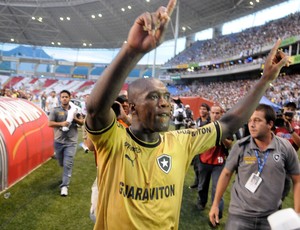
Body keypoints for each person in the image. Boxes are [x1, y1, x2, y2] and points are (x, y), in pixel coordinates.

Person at [85, 0, 292, 227]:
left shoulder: (181, 142)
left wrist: (264, 80)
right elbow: (96, 110)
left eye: (166, 97)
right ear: (132, 108)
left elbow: (229, 123)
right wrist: (132, 50)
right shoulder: (114, 140)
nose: (165, 103)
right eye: (154, 97)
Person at [209, 104, 300, 230]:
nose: (251, 124)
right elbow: (226, 174)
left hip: (271, 217)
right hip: (239, 216)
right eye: (250, 120)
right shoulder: (240, 146)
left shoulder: (285, 148)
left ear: (270, 124)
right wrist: (215, 204)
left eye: (257, 120)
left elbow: (297, 179)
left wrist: (297, 212)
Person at [196, 105, 233, 217]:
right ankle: (202, 202)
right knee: (202, 185)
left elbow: (229, 144)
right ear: (210, 113)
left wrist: (220, 135)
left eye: (218, 113)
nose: (215, 115)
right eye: (213, 113)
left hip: (219, 162)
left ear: (221, 114)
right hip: (204, 160)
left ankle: (217, 213)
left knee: (217, 188)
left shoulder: (226, 127)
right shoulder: (204, 126)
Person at [48, 89, 84, 196]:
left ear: (69, 98)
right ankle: (64, 177)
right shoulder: (55, 110)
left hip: (71, 142)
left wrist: (75, 119)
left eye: (66, 97)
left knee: (68, 164)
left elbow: (82, 122)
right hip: (58, 141)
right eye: (62, 97)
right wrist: (62, 123)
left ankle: (64, 186)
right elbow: (50, 124)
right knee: (61, 163)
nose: (64, 98)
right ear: (60, 98)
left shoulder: (76, 110)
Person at [274, 101, 300, 204]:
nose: (290, 111)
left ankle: (277, 203)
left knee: (286, 185)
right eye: (288, 109)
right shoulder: (276, 123)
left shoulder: (297, 126)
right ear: (283, 110)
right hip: (274, 158)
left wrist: (291, 131)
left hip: (289, 160)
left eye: (292, 110)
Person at [190, 103, 211, 189]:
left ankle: (201, 186)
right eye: (201, 109)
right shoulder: (198, 120)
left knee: (203, 169)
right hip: (197, 146)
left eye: (204, 109)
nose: (202, 111)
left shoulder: (210, 122)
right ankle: (196, 182)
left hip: (206, 148)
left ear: (208, 111)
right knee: (196, 166)